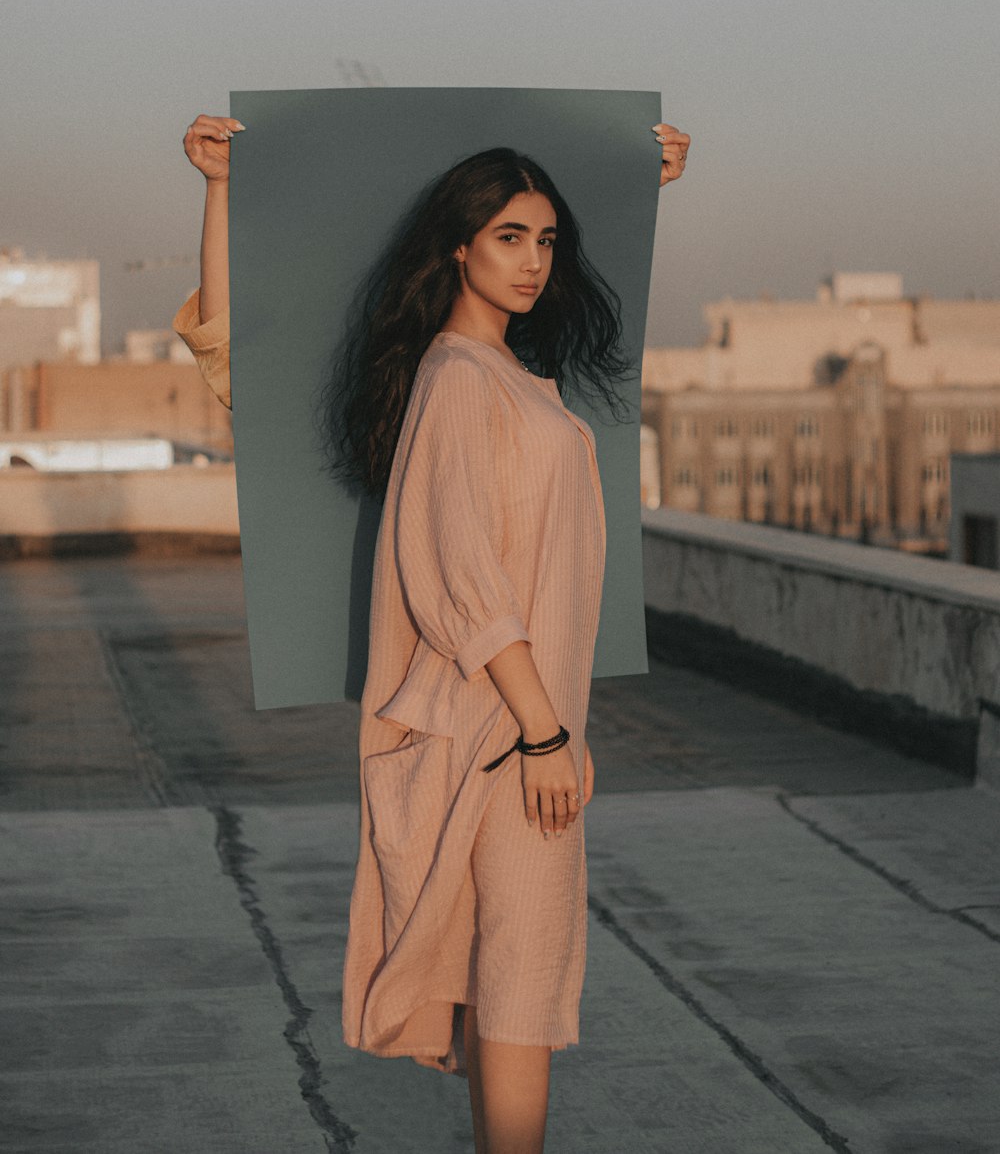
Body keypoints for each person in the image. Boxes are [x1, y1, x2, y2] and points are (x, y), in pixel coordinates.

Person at [173, 113, 690, 1154]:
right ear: (457, 245)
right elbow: (463, 575)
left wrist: (644, 182)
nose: (535, 260)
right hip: (499, 728)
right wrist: (544, 733)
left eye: (547, 240)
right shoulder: (458, 377)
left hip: (512, 722)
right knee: (520, 984)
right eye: (508, 236)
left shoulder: (496, 372)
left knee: (508, 979)